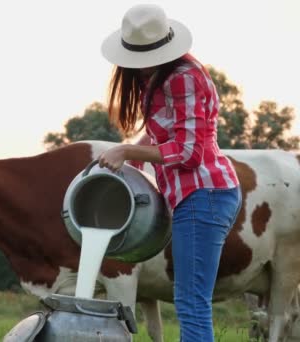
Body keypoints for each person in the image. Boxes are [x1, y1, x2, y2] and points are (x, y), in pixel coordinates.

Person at [98, 4, 241, 341]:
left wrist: (127, 150)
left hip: (204, 194)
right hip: (198, 196)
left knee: (191, 303)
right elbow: (168, 131)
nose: (136, 67)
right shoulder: (162, 75)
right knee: (190, 301)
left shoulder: (183, 77)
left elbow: (189, 153)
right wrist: (135, 155)